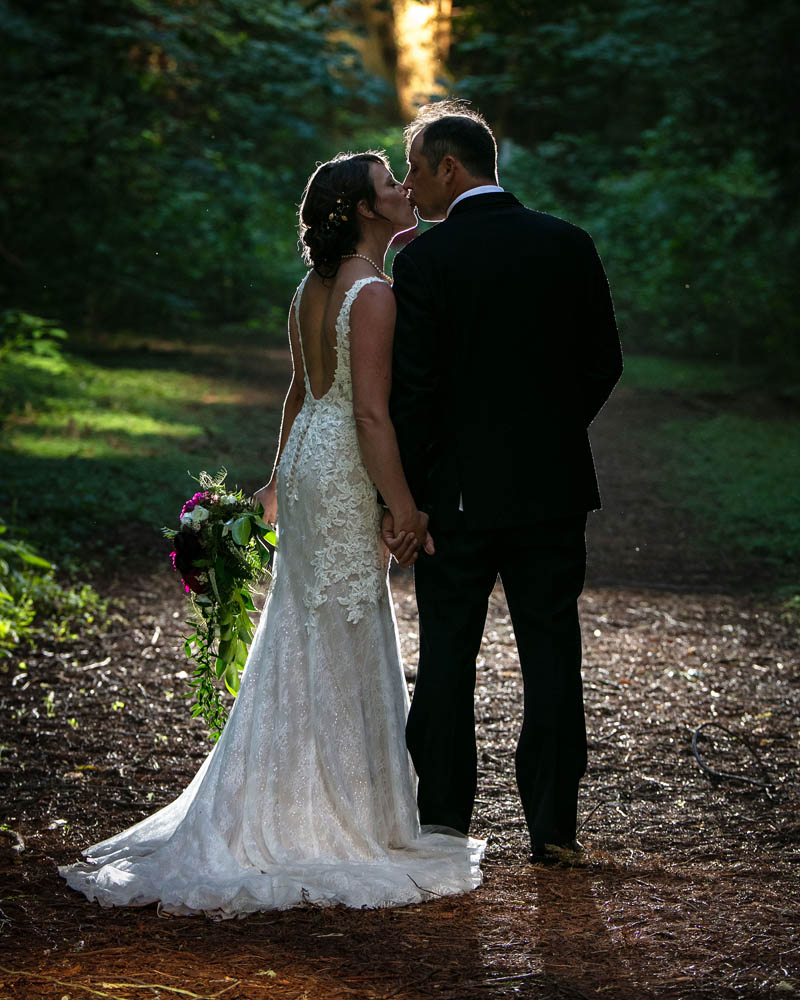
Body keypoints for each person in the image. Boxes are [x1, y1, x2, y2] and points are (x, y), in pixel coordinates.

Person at [59, 151, 484, 915]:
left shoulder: (310, 289)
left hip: (311, 463)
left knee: (307, 618)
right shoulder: (375, 293)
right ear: (362, 208)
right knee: (343, 619)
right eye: (390, 184)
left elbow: (300, 394)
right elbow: (370, 414)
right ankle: (333, 813)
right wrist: (406, 507)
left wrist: (276, 483)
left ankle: (290, 794)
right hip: (349, 466)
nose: (403, 191)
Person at [383, 102, 623, 865]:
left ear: (451, 168)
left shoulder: (424, 262)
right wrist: (549, 435)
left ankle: (445, 820)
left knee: (448, 653)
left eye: (416, 167)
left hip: (454, 500)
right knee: (553, 651)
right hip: (552, 492)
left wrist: (415, 498)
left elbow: (413, 392)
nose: (410, 184)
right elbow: (602, 362)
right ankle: (555, 828)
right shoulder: (569, 243)